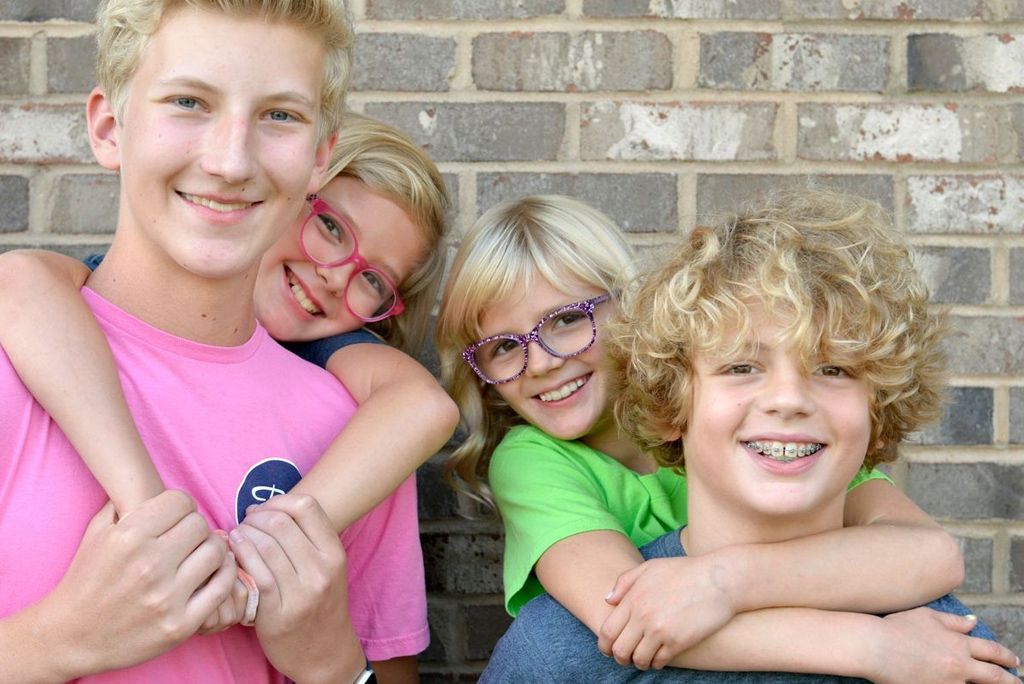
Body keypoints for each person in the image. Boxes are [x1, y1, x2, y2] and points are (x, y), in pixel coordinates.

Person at [434, 193, 1017, 681]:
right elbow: (627, 619)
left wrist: (721, 582)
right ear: (672, 408)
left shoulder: (803, 445)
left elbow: (928, 552)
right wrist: (871, 647)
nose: (540, 364)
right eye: (505, 347)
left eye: (567, 320)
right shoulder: (534, 463)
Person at [0, 0, 384, 680]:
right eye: (188, 102)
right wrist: (59, 642)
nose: (231, 160)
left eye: (280, 116)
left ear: (320, 159)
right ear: (110, 129)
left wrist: (336, 667)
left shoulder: (350, 436)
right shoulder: (10, 360)